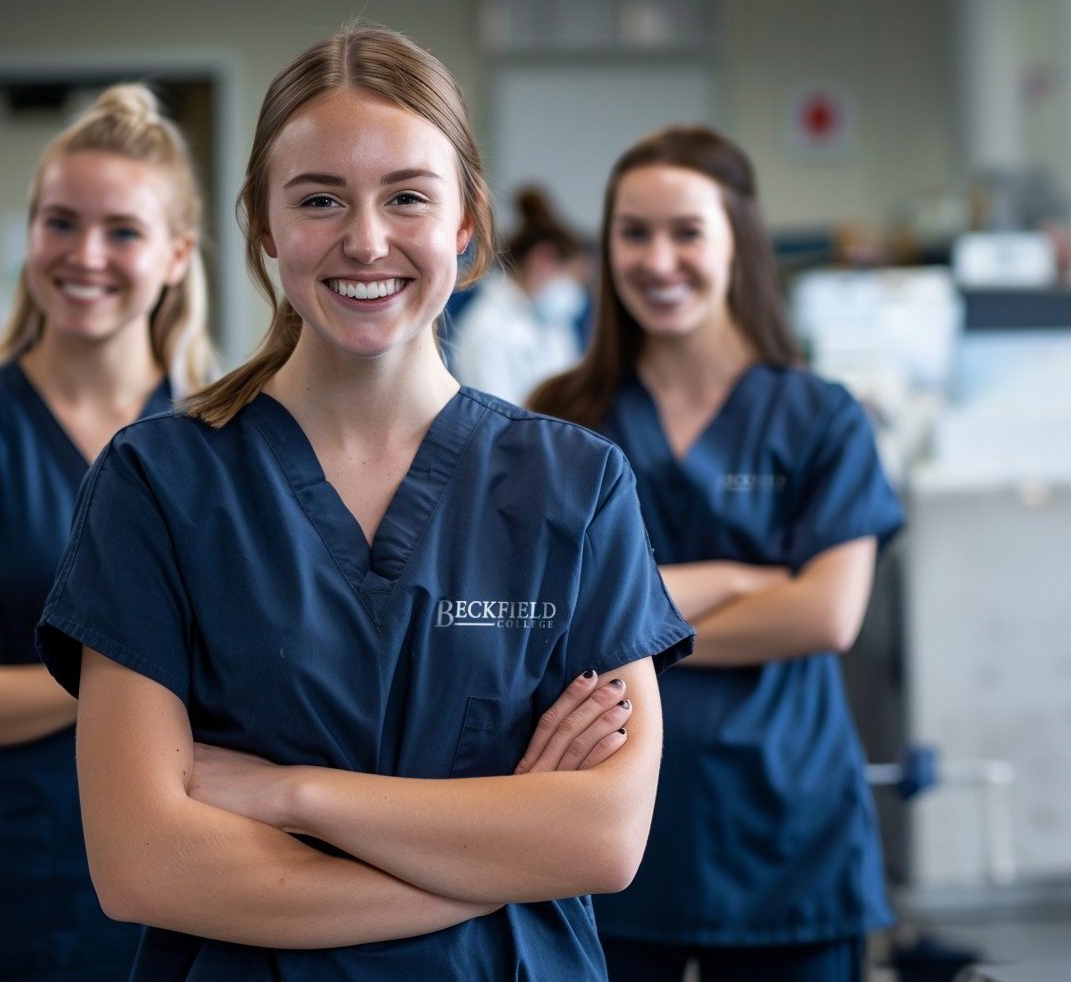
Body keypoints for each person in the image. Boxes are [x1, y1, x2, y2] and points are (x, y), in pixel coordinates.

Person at [34, 24, 692, 980]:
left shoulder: (577, 486)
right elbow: (146, 865)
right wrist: (499, 855)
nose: (367, 239)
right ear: (262, 224)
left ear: (466, 223)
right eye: (320, 199)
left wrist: (294, 795)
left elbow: (604, 839)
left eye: (408, 198)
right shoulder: (156, 486)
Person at [530, 125, 905, 981]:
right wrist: (739, 581)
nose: (658, 261)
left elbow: (826, 614)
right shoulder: (559, 420)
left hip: (785, 833)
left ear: (738, 241)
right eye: (634, 233)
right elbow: (548, 616)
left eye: (686, 232)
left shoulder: (821, 418)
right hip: (605, 832)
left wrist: (629, 614)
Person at [0, 84, 213, 980]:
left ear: (176, 254)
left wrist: (28, 685)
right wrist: (162, 682)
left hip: (203, 885)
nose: (84, 255)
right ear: (30, 236)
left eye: (123, 231)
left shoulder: (223, 436)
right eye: (60, 223)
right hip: (19, 890)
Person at [450, 185, 588, 403]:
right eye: (567, 275)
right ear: (543, 261)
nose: (572, 291)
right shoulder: (486, 327)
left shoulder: (552, 323)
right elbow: (497, 418)